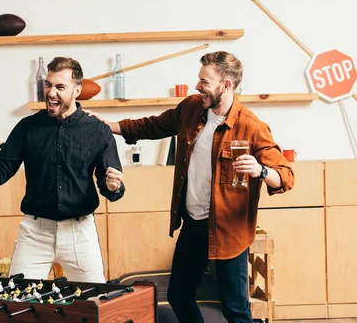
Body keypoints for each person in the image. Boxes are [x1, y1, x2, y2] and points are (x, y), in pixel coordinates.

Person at [95, 51, 294, 323]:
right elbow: (152, 126)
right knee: (179, 295)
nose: (197, 86)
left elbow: (286, 175)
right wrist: (108, 126)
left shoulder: (251, 126)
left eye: (204, 81)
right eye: (199, 79)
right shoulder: (191, 108)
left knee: (235, 310)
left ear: (227, 85)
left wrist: (261, 171)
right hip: (193, 223)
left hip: (229, 232)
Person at [0, 57, 125, 283]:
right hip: (35, 233)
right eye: (48, 85)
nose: (51, 93)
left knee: (94, 303)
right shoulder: (27, 127)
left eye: (60, 87)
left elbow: (110, 187)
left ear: (77, 90)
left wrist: (113, 187)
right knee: (16, 303)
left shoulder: (98, 131)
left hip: (80, 232)